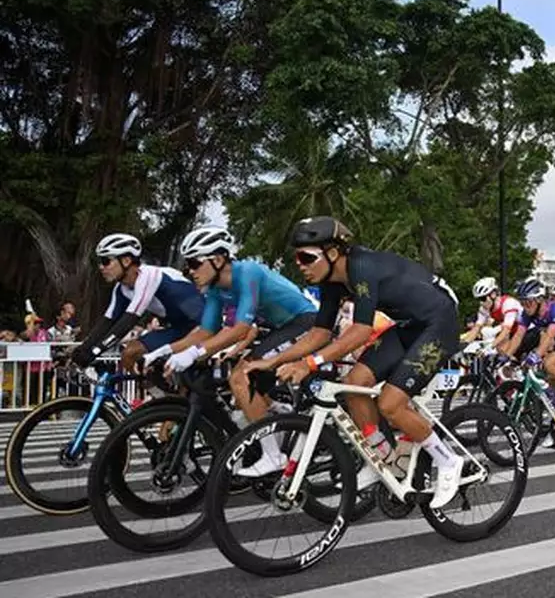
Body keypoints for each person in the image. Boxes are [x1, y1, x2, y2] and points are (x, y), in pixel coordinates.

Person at [247, 216, 463, 508]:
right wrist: (273, 360)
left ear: (333, 253)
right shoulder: (332, 283)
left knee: (390, 404)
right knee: (353, 384)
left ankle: (448, 461)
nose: (300, 264)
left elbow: (361, 330)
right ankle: (386, 459)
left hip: (439, 322)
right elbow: (319, 332)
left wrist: (309, 364)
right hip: (409, 326)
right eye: (297, 256)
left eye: (306, 257)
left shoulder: (361, 267)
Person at [168, 227, 320, 476]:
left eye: (195, 264)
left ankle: (273, 455)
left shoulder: (247, 271)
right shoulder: (216, 289)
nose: (190, 272)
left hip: (305, 323)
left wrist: (194, 353)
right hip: (282, 327)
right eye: (187, 266)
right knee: (244, 380)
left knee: (240, 376)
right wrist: (166, 351)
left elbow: (240, 328)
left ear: (218, 260)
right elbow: (206, 331)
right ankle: (279, 416)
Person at [69, 233, 208, 373]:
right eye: (99, 262)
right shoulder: (121, 289)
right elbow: (107, 322)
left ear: (126, 261)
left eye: (106, 261)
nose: (101, 267)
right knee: (129, 354)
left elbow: (129, 319)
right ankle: (160, 394)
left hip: (204, 326)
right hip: (179, 328)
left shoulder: (149, 275)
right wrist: (83, 348)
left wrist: (96, 351)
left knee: (179, 373)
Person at [504, 278, 555, 417]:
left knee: (548, 363)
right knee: (547, 380)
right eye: (522, 302)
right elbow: (518, 336)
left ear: (539, 300)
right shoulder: (527, 314)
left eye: (528, 302)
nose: (525, 306)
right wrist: (506, 356)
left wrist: (536, 356)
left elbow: (549, 335)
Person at [462, 276, 522, 354]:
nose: (481, 303)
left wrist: (490, 346)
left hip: (528, 331)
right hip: (514, 332)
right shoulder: (484, 309)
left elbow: (506, 330)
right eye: (479, 300)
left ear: (493, 295)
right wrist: (463, 345)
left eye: (483, 299)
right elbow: (476, 329)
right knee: (501, 349)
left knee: (504, 349)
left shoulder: (508, 303)